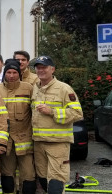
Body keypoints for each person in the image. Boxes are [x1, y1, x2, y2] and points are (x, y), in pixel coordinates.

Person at [31, 56, 83, 194]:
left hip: (57, 143)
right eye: (38, 67)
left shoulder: (64, 89)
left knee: (56, 181)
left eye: (44, 67)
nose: (41, 70)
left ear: (52, 69)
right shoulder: (35, 88)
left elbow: (77, 113)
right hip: (39, 142)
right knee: (42, 179)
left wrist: (52, 112)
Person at [0, 59, 36, 194]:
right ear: (4, 73)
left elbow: (35, 113)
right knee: (7, 177)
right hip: (6, 143)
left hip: (25, 141)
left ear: (19, 73)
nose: (11, 75)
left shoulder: (28, 88)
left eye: (14, 72)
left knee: (28, 177)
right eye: (9, 72)